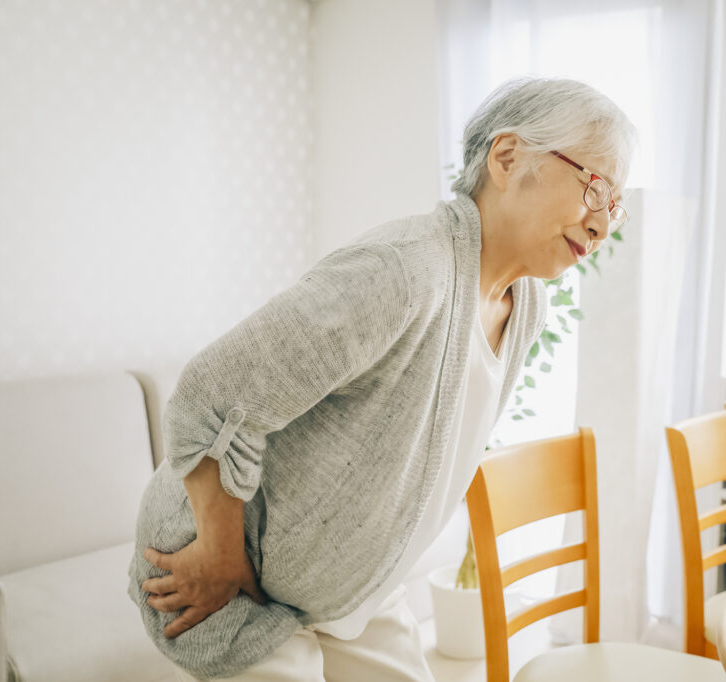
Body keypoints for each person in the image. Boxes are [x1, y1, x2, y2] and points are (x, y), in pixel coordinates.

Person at [127, 76, 637, 681]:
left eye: (616, 205)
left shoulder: (525, 305)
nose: (603, 225)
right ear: (506, 157)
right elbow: (211, 393)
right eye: (595, 188)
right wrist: (220, 553)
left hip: (351, 582)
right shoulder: (405, 270)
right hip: (225, 573)